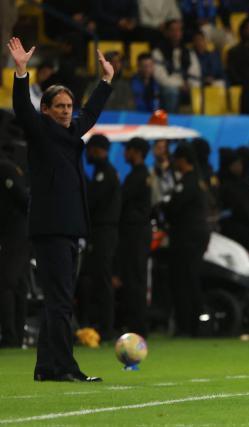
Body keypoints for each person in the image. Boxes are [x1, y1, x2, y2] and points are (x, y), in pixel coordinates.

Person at [8, 36, 113, 381]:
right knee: (61, 301)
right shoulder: (40, 132)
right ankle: (64, 367)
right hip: (51, 228)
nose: (67, 111)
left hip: (69, 228)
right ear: (47, 111)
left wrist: (106, 81)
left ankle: (45, 368)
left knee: (59, 300)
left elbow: (92, 112)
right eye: (61, 107)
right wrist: (22, 73)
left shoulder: (71, 134)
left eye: (69, 106)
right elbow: (22, 109)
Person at [161, 142, 210, 337]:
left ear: (183, 160)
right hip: (195, 236)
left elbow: (173, 207)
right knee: (190, 278)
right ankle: (196, 324)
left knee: (183, 280)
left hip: (187, 237)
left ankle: (189, 325)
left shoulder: (187, 182)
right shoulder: (198, 180)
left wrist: (164, 206)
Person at [81, 134, 122, 341]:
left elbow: (93, 199)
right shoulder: (101, 172)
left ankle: (107, 328)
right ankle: (99, 324)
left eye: (90, 150)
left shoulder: (105, 173)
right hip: (101, 232)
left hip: (104, 232)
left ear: (99, 150)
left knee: (103, 279)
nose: (88, 154)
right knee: (95, 278)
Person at [117, 137, 152, 337]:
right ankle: (137, 325)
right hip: (138, 233)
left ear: (136, 152)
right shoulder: (141, 174)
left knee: (135, 280)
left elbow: (122, 199)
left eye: (127, 149)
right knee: (136, 279)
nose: (125, 154)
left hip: (135, 234)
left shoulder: (137, 175)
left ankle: (138, 327)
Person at [0, 144, 29, 348]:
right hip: (19, 233)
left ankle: (10, 336)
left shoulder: (5, 168)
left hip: (15, 234)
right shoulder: (10, 167)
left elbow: (24, 199)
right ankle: (16, 336)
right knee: (18, 285)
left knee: (7, 283)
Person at [152, 19, 201, 113]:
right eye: (172, 30)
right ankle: (171, 122)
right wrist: (180, 84)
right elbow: (161, 78)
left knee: (199, 91)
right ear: (166, 32)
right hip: (169, 87)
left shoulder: (189, 52)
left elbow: (195, 73)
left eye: (178, 30)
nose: (176, 33)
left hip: (187, 86)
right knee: (171, 92)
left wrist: (189, 84)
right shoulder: (158, 52)